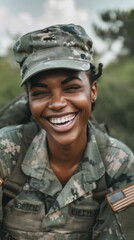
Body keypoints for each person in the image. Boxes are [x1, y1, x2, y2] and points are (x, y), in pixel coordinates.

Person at [0, 23, 134, 240]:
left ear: (92, 91)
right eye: (40, 93)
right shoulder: (5, 153)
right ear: (28, 99)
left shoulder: (119, 163)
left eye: (71, 88)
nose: (57, 103)